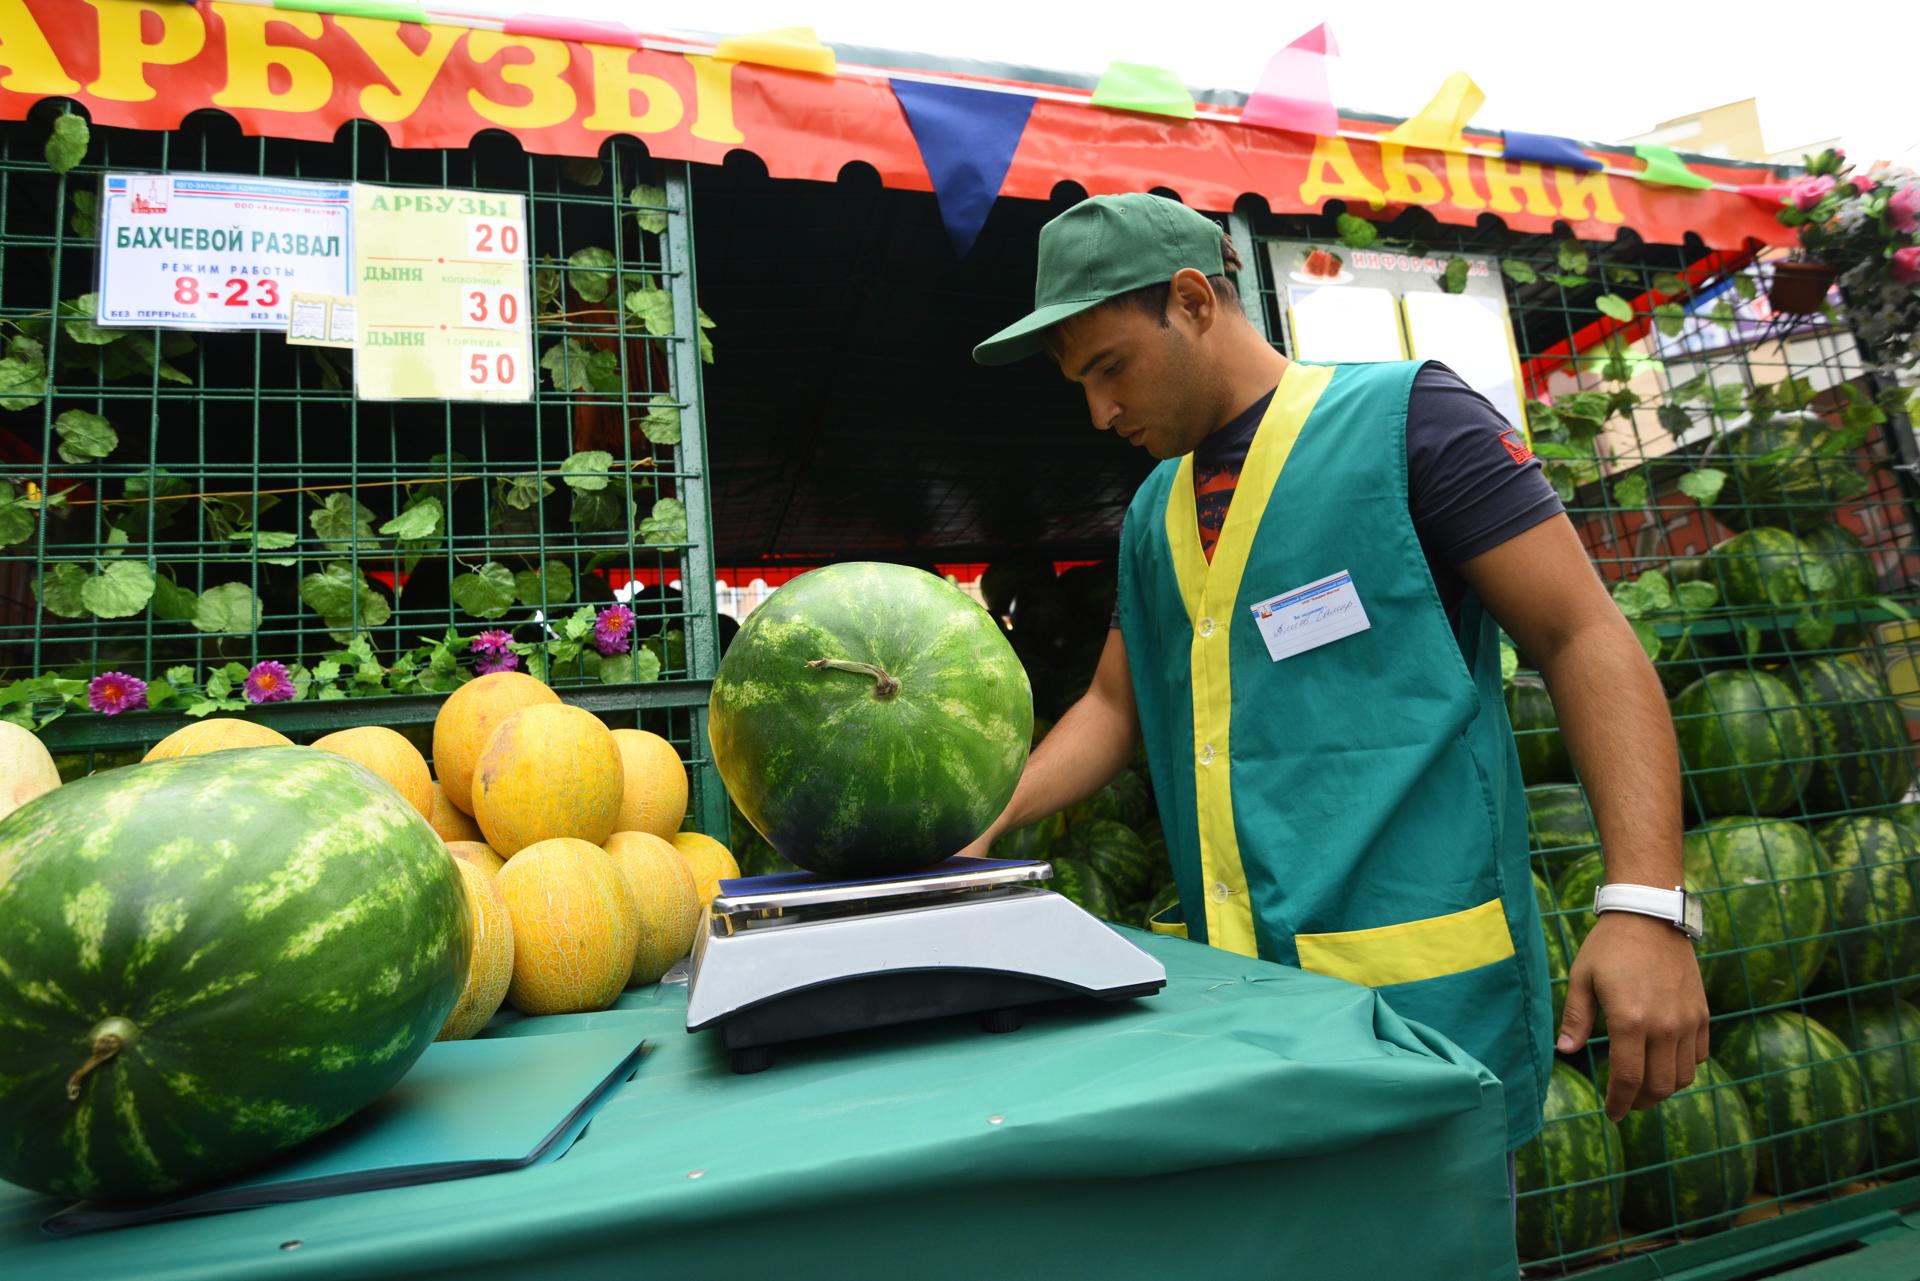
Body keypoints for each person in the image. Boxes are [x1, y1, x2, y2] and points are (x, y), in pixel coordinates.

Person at [963, 193, 1708, 1153]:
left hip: (1424, 1009)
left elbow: (1583, 636)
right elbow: (1115, 704)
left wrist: (1646, 903)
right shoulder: (1154, 512)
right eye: (1081, 385)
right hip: (1244, 1016)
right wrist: (989, 814)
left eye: (1111, 367)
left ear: (1194, 300)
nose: (1101, 412)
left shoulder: (1414, 421)